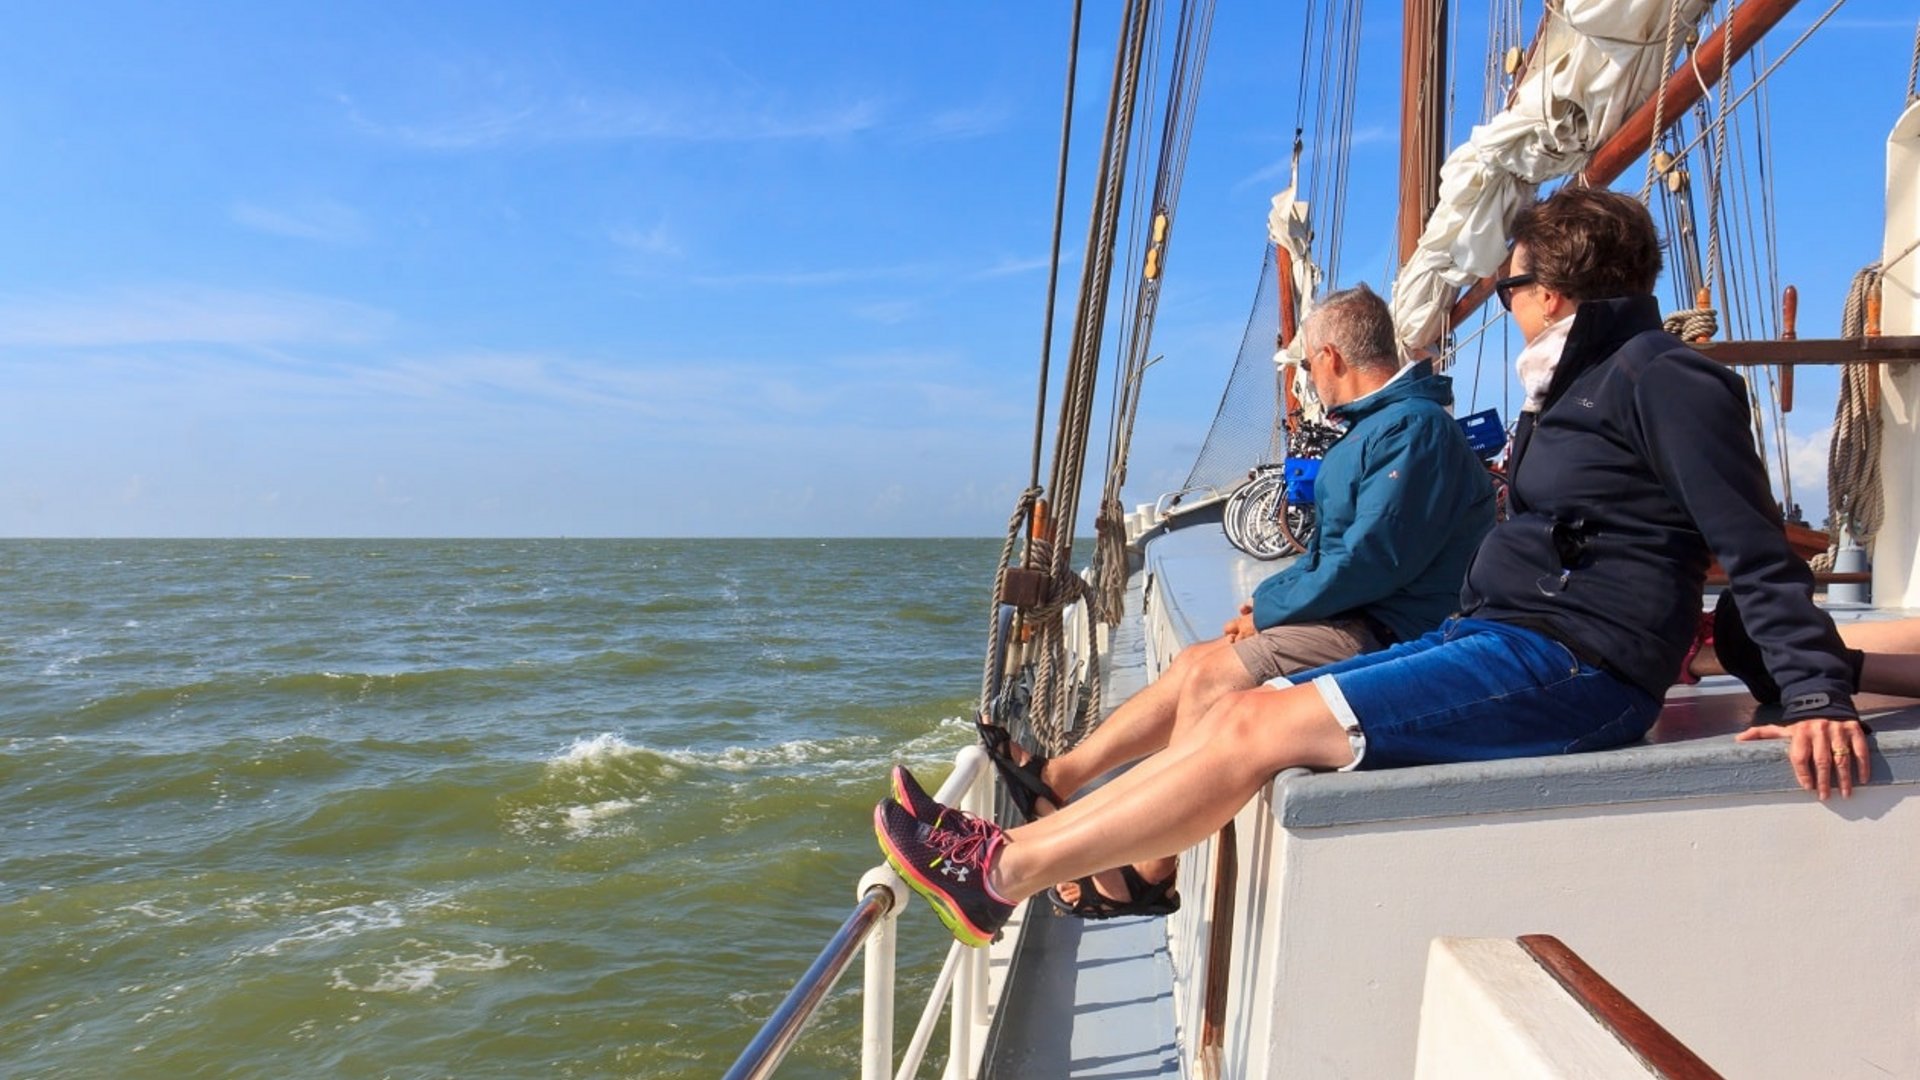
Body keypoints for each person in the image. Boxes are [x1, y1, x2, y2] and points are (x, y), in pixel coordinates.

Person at [876, 187, 1872, 949]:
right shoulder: (1581, 386)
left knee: (1254, 724)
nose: (1507, 305)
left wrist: (1813, 692)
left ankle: (999, 873)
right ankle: (1033, 849)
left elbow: (1749, 542)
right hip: (1511, 639)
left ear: (1553, 292)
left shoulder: (1662, 376)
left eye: (1510, 288)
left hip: (1581, 666)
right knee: (1228, 712)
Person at [994, 283, 1495, 918]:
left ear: (1332, 357)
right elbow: (1338, 553)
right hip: (1360, 613)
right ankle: (1058, 777)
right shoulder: (1384, 428)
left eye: (1307, 364)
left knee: (1214, 679)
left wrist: (1269, 609)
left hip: (1393, 631)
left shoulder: (1413, 432)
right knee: (1192, 664)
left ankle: (1148, 870)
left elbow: (1372, 559)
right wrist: (1267, 606)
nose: (1309, 379)